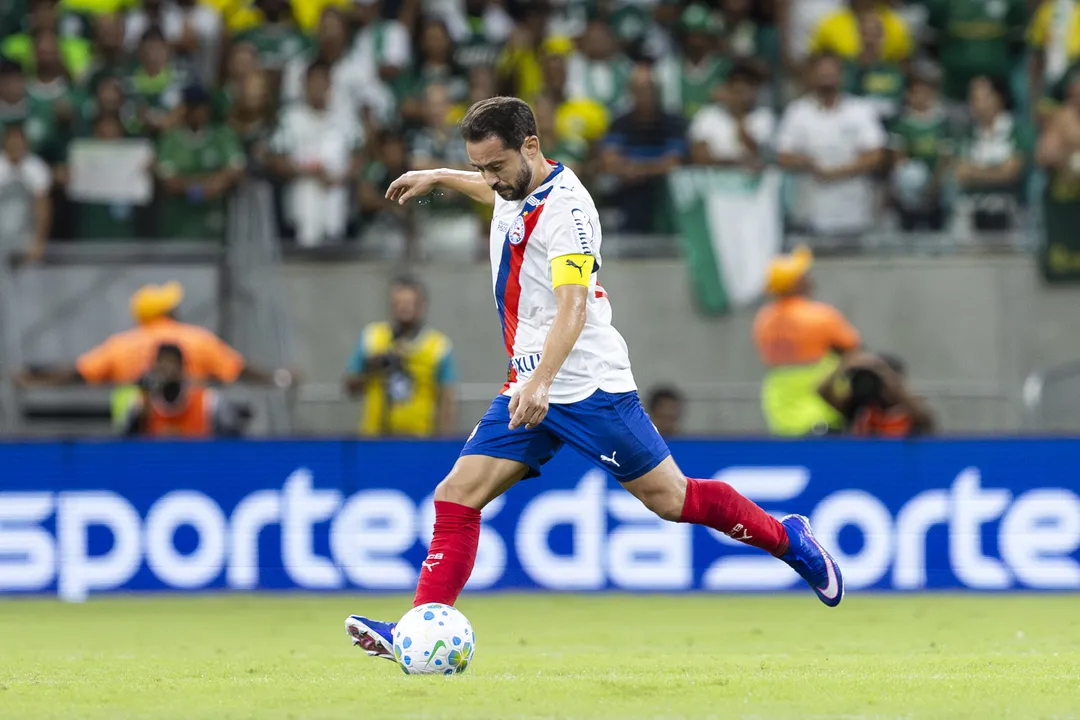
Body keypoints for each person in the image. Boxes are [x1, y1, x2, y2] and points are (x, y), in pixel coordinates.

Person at [344, 96, 846, 662]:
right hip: (529, 381)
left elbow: (572, 307)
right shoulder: (513, 186)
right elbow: (496, 194)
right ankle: (419, 626)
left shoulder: (568, 212)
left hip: (587, 387)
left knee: (671, 499)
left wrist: (543, 383)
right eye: (478, 166)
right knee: (456, 496)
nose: (489, 178)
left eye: (495, 165)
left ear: (530, 146)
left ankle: (789, 540)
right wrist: (440, 175)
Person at [752, 245, 861, 436]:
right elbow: (854, 351)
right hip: (821, 406)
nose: (810, 278)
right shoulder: (820, 315)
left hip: (779, 405)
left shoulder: (763, 319)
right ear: (796, 282)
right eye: (804, 275)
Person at [343, 275, 456, 438]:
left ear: (422, 306)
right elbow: (350, 387)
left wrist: (441, 443)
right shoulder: (372, 337)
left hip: (420, 441)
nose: (404, 309)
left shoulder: (438, 346)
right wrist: (375, 364)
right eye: (399, 303)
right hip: (374, 439)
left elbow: (447, 399)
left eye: (410, 304)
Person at [123, 343, 251, 438]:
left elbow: (233, 441)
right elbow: (126, 443)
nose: (167, 370)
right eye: (161, 364)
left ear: (182, 367)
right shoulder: (141, 404)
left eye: (171, 363)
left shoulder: (209, 402)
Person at [817, 351, 935, 437]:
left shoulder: (909, 408)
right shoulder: (861, 405)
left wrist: (885, 374)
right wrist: (844, 366)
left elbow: (924, 418)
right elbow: (823, 393)